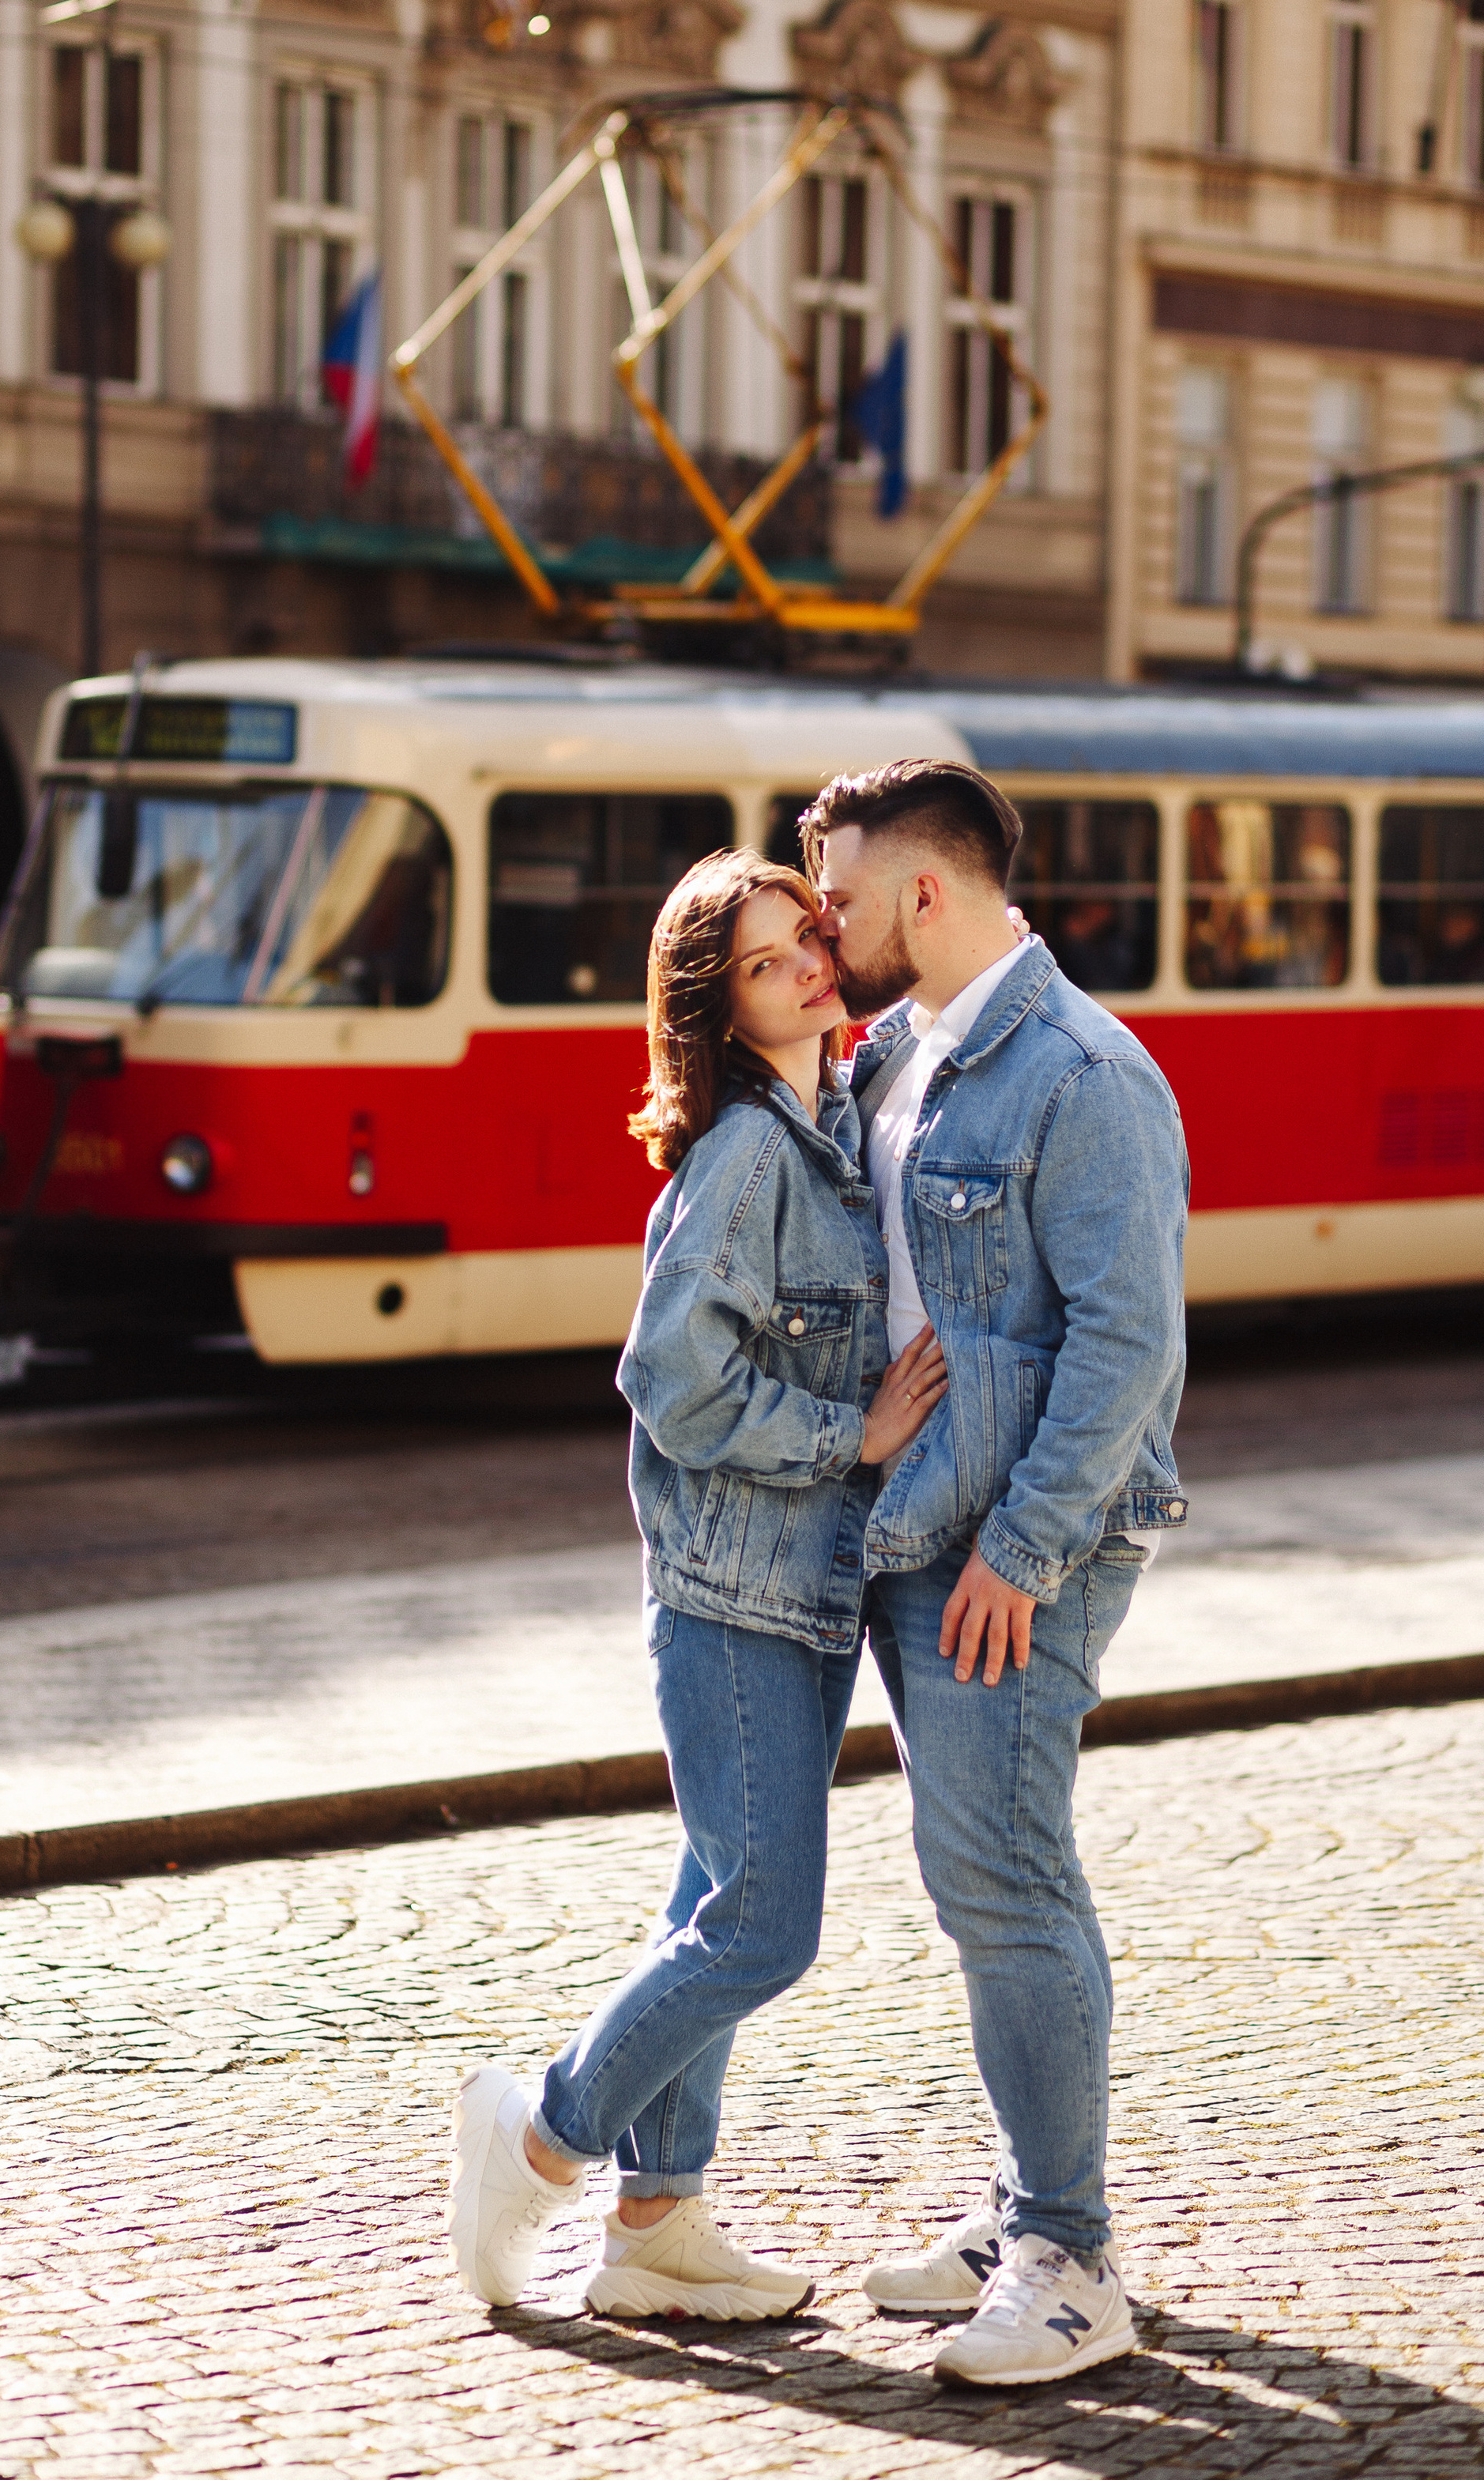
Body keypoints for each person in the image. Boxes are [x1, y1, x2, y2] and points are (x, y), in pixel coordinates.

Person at [447, 846, 949, 2321]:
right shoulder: (743, 1157)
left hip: (803, 1592)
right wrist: (843, 1433)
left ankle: (657, 2228)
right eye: (761, 960)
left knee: (708, 1901)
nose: (804, 959)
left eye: (804, 931)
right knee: (760, 1928)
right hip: (733, 1599)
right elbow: (668, 1379)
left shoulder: (836, 1119)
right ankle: (540, 2135)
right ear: (720, 1014)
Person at [804, 756, 1188, 2392]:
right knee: (980, 1882)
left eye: (833, 895)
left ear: (923, 892)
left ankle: (1069, 2257)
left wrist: (1022, 1553)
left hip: (1009, 1558)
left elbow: (1126, 1346)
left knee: (1009, 1881)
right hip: (919, 1538)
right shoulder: (895, 1057)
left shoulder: (1082, 1077)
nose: (819, 927)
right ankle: (1026, 2206)